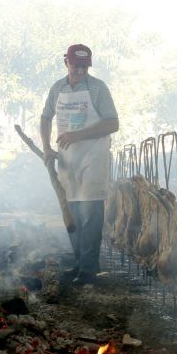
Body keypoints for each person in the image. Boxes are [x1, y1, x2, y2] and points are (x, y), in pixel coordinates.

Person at [40, 44, 119, 286]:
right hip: (67, 161)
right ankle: (78, 264)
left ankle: (88, 271)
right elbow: (45, 118)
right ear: (66, 62)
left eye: (85, 67)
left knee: (90, 215)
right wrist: (46, 147)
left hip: (93, 159)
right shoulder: (58, 88)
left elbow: (113, 123)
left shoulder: (97, 89)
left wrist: (77, 135)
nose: (81, 71)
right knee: (72, 215)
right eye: (76, 66)